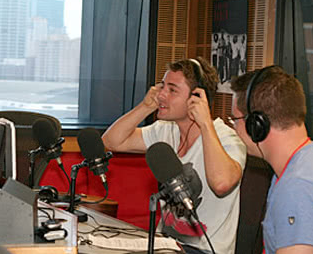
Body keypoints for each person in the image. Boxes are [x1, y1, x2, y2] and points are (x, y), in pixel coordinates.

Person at [102, 57, 246, 254]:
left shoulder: (227, 139)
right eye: (162, 87)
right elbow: (111, 141)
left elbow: (221, 184)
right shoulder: (165, 130)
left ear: (197, 97)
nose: (161, 95)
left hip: (204, 250)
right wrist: (145, 107)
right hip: (166, 245)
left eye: (172, 90)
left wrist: (205, 124)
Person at [230, 66, 313, 254]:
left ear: (256, 125)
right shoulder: (304, 162)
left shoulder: (299, 186)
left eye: (235, 120)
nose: (234, 129)